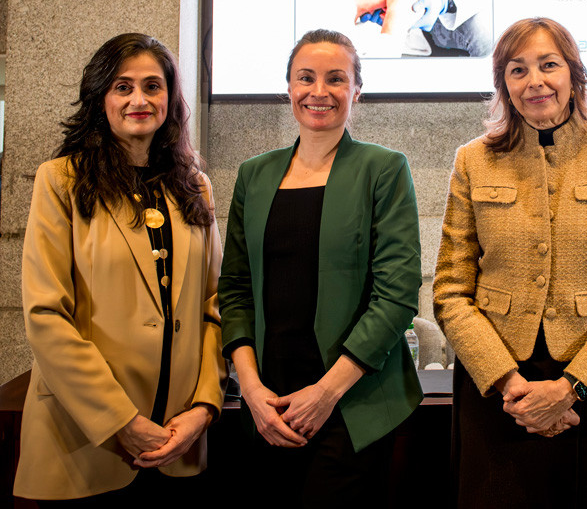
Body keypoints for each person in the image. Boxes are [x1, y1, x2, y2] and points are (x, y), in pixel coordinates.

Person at [434, 17, 587, 507]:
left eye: (548, 65)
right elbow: (450, 292)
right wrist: (512, 385)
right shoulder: (473, 161)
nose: (534, 81)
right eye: (518, 70)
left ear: (574, 74)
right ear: (504, 85)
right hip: (498, 392)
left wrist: (571, 389)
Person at [14, 33, 226, 505]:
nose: (139, 99)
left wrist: (205, 407)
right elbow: (45, 315)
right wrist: (121, 422)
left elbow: (216, 308)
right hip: (85, 443)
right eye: (122, 86)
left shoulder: (196, 186)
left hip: (179, 441)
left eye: (153, 86)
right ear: (100, 98)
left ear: (170, 99)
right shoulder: (61, 181)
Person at [218, 28, 423, 506]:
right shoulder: (254, 174)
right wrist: (250, 390)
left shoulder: (384, 169)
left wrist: (325, 393)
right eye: (305, 78)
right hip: (267, 403)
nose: (319, 91)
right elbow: (234, 288)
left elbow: (396, 296)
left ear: (356, 92)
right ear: (288, 88)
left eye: (336, 79)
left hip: (351, 401)